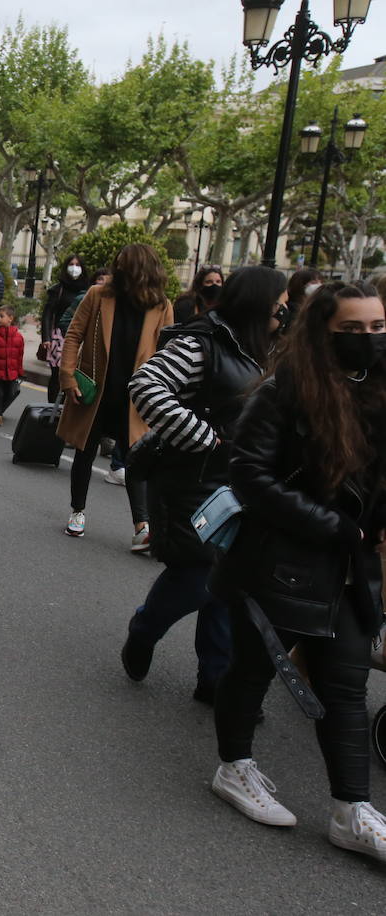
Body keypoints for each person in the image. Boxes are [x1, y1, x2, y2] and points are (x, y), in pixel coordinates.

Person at [207, 282, 386, 859]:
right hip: (281, 560)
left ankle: (351, 808)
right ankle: (234, 767)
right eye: (353, 331)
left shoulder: (379, 391)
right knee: (255, 669)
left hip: (351, 567)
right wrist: (326, 524)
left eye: (379, 328)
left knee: (347, 684)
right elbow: (249, 476)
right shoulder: (285, 392)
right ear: (321, 333)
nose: (369, 341)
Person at [123, 265, 286, 705]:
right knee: (196, 574)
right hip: (193, 481)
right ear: (258, 306)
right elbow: (146, 384)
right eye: (279, 305)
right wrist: (204, 438)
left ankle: (215, 677)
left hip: (242, 484)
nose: (284, 312)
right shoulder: (201, 342)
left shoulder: (266, 349)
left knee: (229, 583)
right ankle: (144, 629)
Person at [57, 244, 171, 543]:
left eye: (123, 265)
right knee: (85, 451)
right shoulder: (98, 295)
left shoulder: (161, 306)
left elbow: (167, 353)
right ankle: (77, 511)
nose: (117, 269)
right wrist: (68, 377)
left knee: (136, 460)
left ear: (140, 269)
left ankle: (142, 527)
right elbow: (74, 335)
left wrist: (163, 395)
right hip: (96, 391)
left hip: (136, 397)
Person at [38, 255, 90, 403]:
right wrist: (46, 338)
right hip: (59, 338)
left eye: (78, 264)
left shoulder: (89, 291)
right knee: (57, 375)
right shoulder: (58, 289)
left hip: (82, 339)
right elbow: (48, 314)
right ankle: (52, 406)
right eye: (71, 264)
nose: (74, 268)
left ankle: (66, 406)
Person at [0, 304, 24, 426]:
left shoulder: (18, 337)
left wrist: (20, 371)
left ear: (10, 318)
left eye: (1, 316)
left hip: (11, 372)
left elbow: (19, 356)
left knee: (10, 393)